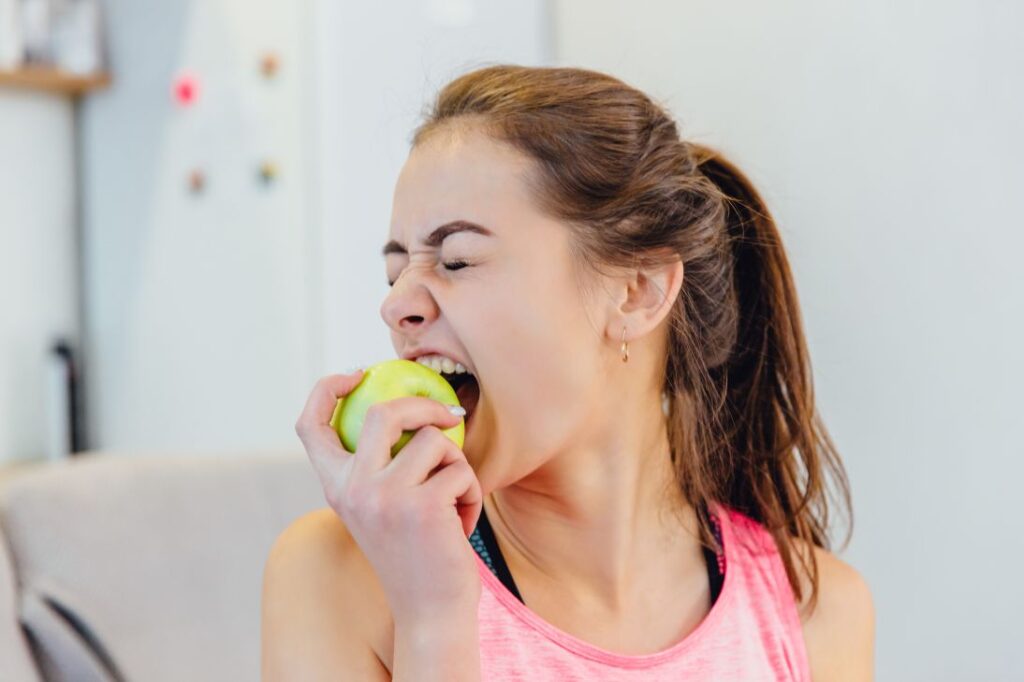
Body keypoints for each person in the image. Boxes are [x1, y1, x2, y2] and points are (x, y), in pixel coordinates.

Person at [262, 65, 875, 681]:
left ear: (636, 292)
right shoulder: (339, 578)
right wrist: (433, 621)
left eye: (457, 259)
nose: (397, 305)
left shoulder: (816, 616)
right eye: (397, 273)